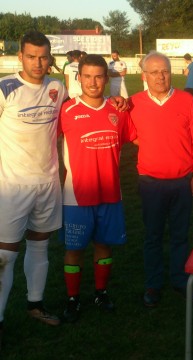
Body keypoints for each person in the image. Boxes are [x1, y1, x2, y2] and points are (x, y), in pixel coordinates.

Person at [0, 30, 68, 344]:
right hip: (12, 186)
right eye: (31, 56)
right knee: (5, 255)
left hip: (48, 182)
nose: (37, 63)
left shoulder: (57, 86)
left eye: (43, 57)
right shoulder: (5, 88)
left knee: (40, 245)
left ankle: (35, 304)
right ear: (20, 57)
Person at [58, 54, 137, 323]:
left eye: (99, 76)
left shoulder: (117, 110)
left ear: (107, 78)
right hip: (76, 194)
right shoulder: (66, 110)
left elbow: (135, 138)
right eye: (87, 76)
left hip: (111, 192)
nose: (93, 82)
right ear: (78, 77)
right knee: (75, 249)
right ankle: (73, 298)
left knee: (104, 245)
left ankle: (101, 292)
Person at [129, 51, 193, 307]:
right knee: (152, 236)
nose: (160, 76)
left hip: (182, 180)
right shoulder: (134, 102)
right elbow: (128, 134)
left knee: (180, 235)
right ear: (144, 76)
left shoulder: (186, 100)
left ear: (170, 72)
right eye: (154, 72)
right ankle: (153, 285)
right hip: (150, 181)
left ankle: (180, 281)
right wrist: (151, 143)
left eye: (164, 71)